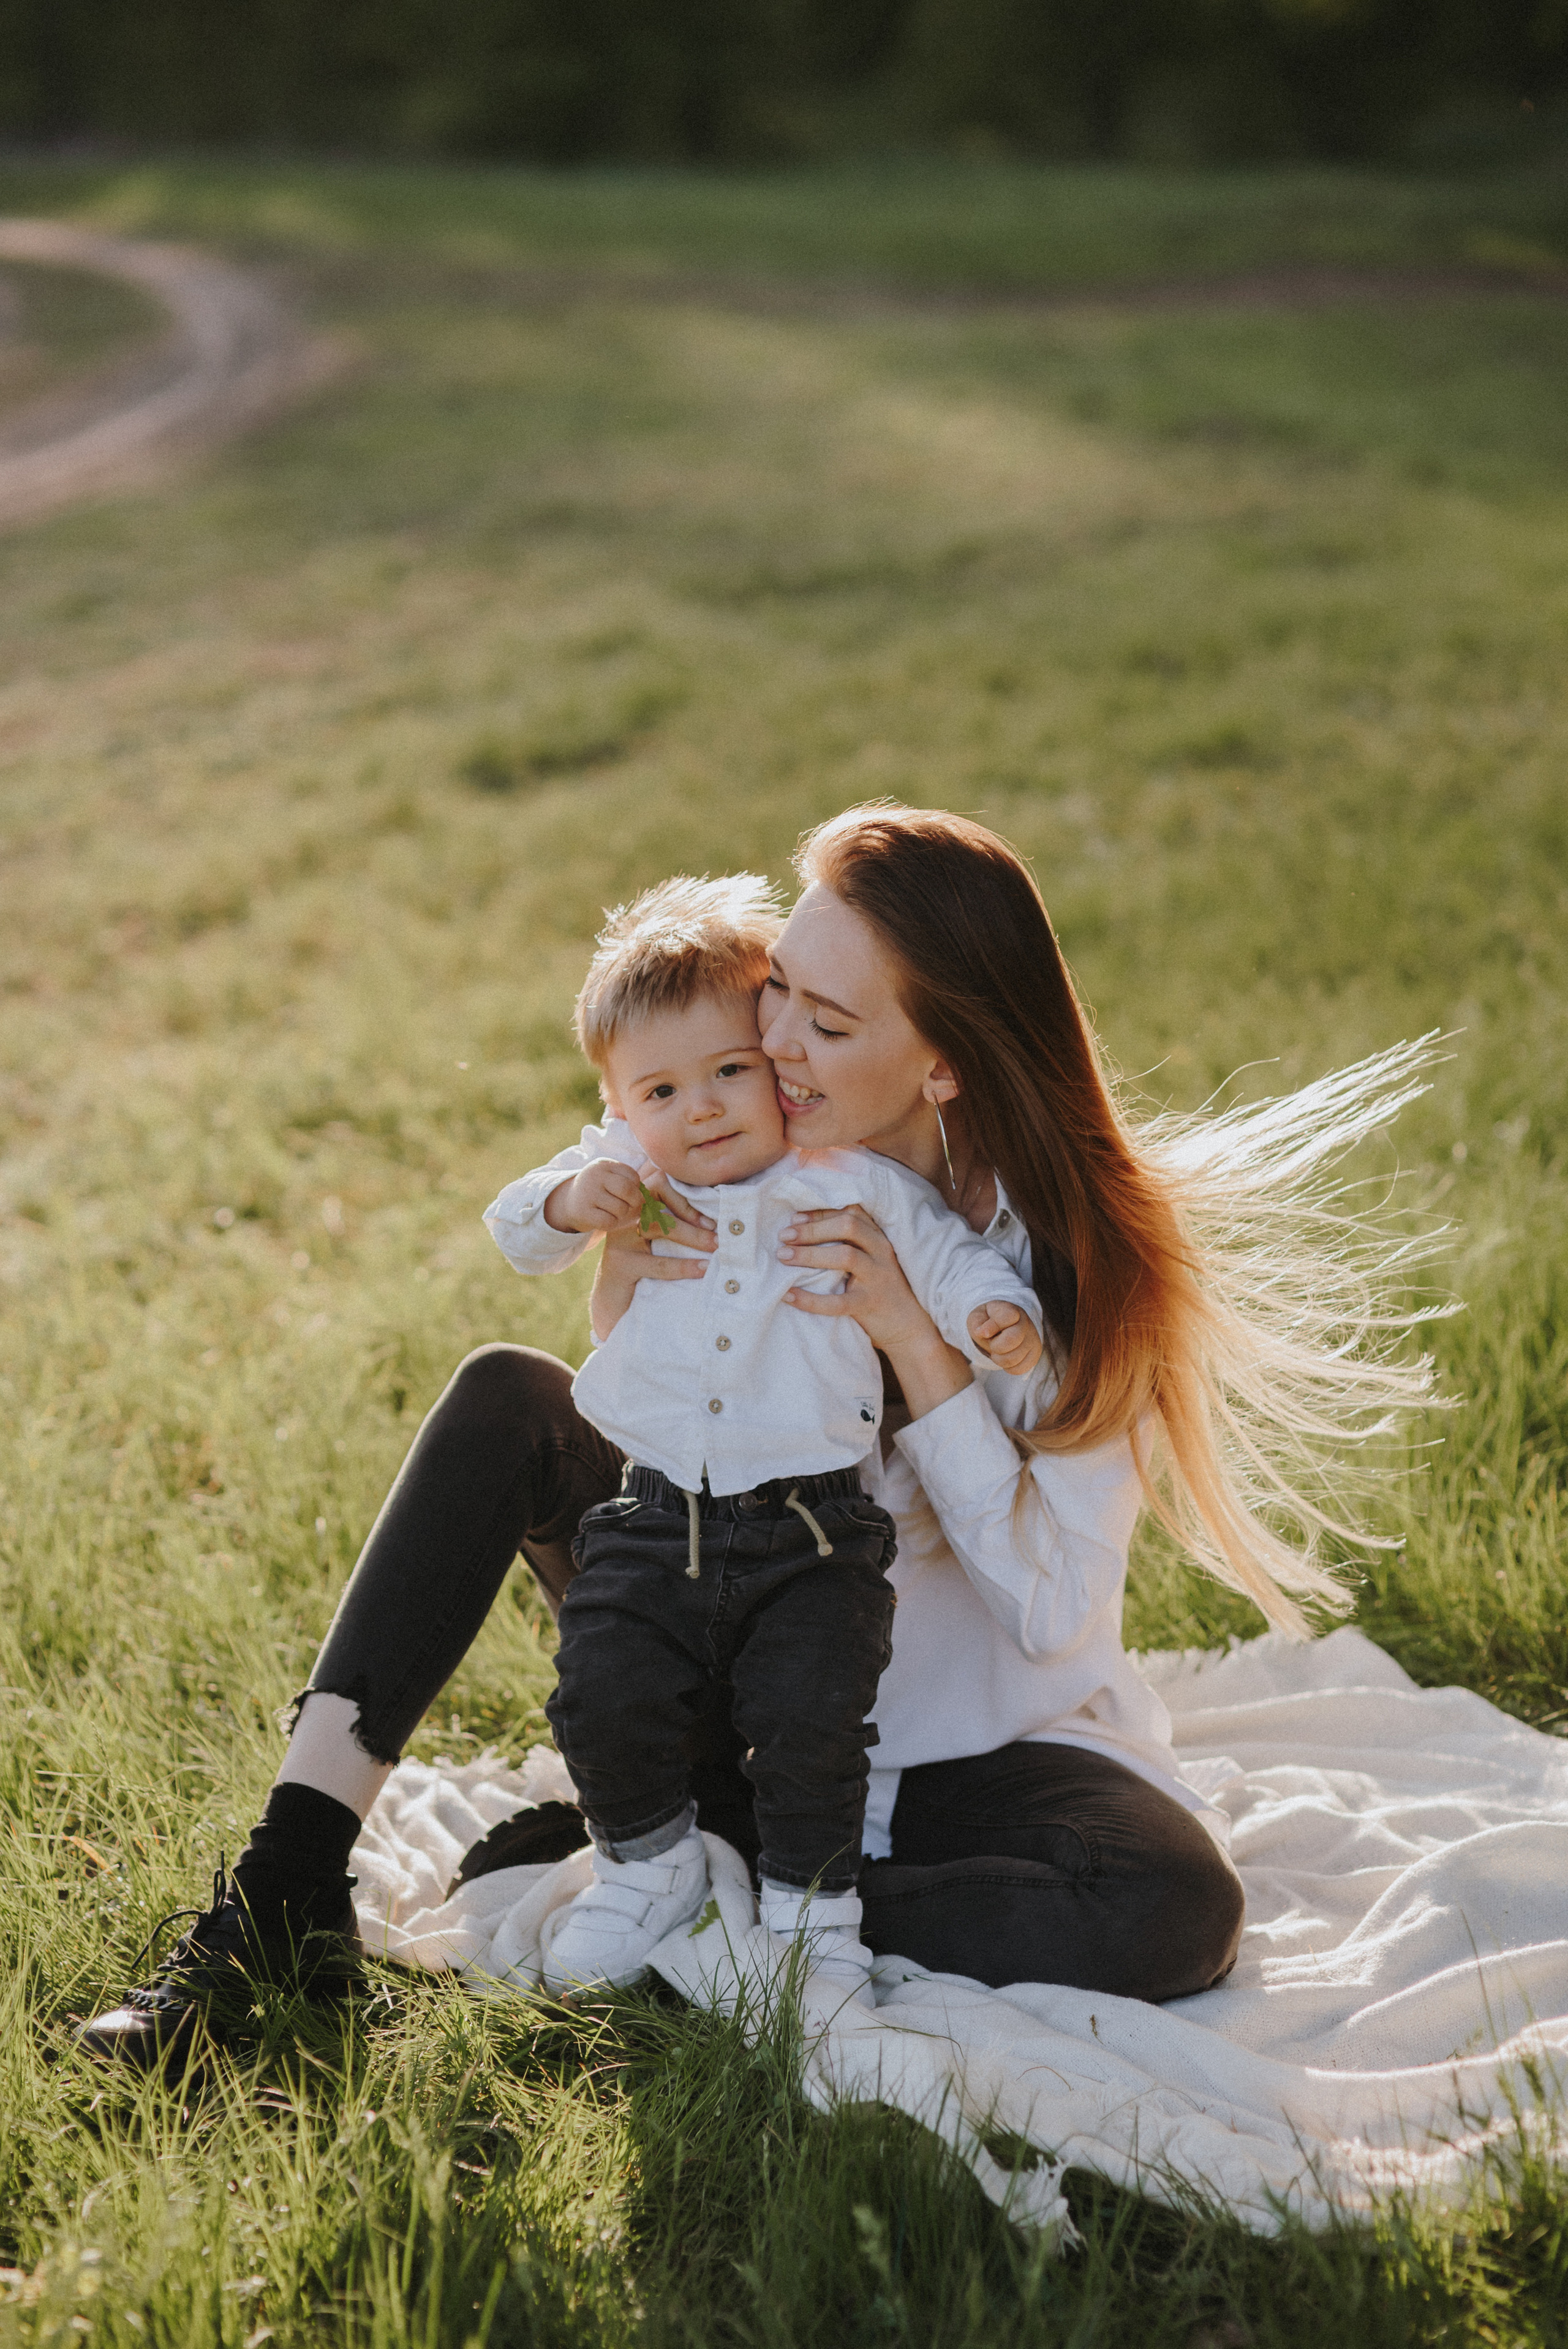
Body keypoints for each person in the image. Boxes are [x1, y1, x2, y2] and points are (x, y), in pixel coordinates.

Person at [77, 803, 1431, 2072]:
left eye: (824, 1022)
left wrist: (919, 1345)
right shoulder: (717, 1133)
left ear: (943, 1063)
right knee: (505, 1395)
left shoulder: (1061, 1275)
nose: (770, 1042)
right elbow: (623, 1331)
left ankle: (694, 1855)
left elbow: (1051, 1613)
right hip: (710, 1624)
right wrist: (614, 1271)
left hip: (954, 1750)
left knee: (1169, 1907)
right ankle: (282, 1896)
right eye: (778, 983)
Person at [487, 871, 1042, 1997]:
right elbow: (515, 1228)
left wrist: (997, 1314)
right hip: (654, 1512)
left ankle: (812, 1917)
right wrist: (567, 1203)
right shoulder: (630, 1173)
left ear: (770, 1061)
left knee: (814, 1726)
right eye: (661, 1089)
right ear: (621, 1104)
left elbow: (943, 1252)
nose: (700, 1107)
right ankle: (648, 1871)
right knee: (601, 1689)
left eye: (730, 1069)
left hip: (815, 1525)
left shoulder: (841, 1177)